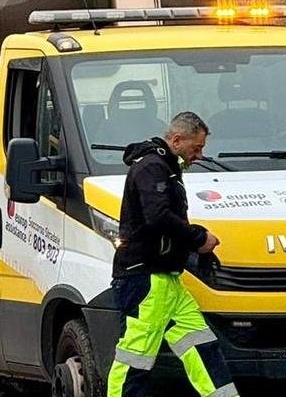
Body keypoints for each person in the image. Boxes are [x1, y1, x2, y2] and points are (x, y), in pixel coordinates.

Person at [106, 112, 236, 397]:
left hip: (166, 280)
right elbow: (158, 217)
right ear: (177, 139)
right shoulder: (153, 167)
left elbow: (161, 219)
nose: (199, 156)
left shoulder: (163, 167)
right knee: (135, 358)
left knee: (203, 346)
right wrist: (198, 238)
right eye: (196, 148)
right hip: (147, 280)